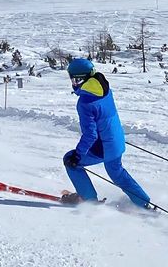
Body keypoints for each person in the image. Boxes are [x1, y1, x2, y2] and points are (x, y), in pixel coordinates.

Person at [61, 57, 151, 209]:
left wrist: (78, 155)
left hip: (103, 146)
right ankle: (143, 203)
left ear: (82, 79)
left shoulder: (85, 102)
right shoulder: (104, 89)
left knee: (70, 161)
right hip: (116, 140)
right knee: (117, 173)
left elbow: (90, 135)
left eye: (75, 80)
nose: (73, 83)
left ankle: (88, 200)